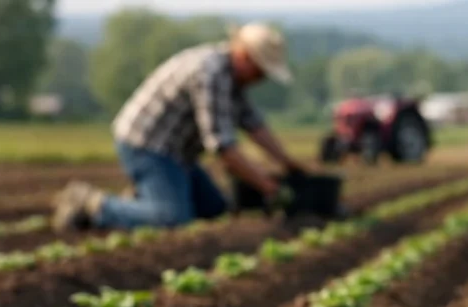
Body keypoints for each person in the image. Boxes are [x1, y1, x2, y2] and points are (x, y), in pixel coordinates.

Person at [52, 23, 308, 231]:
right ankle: (92, 203)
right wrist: (268, 186)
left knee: (215, 210)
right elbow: (222, 147)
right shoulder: (211, 74)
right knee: (172, 219)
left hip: (177, 154)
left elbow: (254, 124)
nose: (261, 79)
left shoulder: (232, 77)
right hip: (147, 147)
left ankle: (143, 201)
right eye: (260, 72)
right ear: (244, 57)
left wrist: (288, 163)